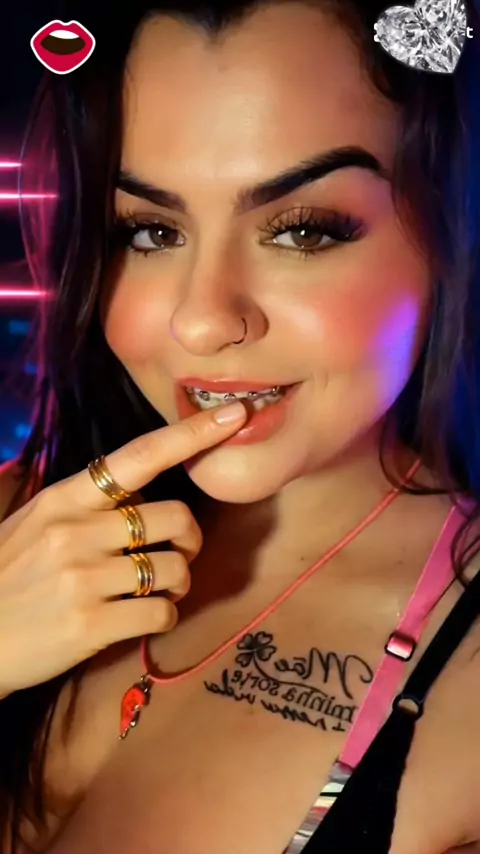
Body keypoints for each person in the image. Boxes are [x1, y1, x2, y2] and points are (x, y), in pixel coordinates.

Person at [1, 0, 480, 851]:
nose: (201, 321)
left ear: (450, 235)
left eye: (302, 232)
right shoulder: (18, 521)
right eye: (151, 232)